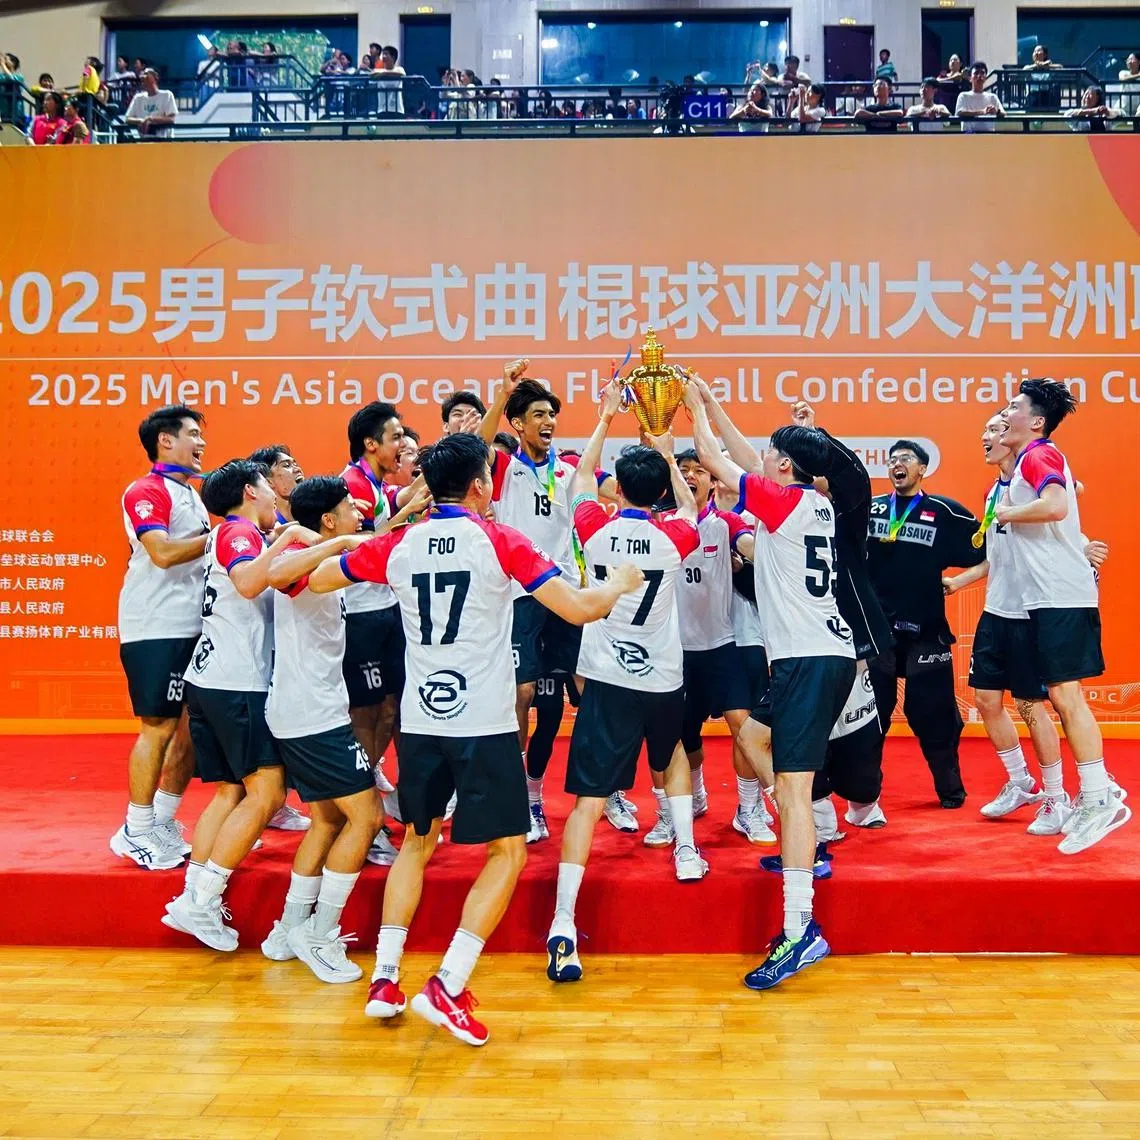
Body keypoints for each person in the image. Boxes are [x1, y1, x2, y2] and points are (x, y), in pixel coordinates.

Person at [308, 432, 642, 1043]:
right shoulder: (500, 539)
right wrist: (619, 583)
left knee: (417, 842)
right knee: (507, 853)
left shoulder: (401, 544)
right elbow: (579, 608)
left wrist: (359, 542)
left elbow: (324, 578)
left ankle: (385, 978)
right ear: (483, 485)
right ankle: (448, 984)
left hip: (421, 722)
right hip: (482, 725)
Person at [687, 389, 855, 991]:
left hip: (812, 658)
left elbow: (712, 453)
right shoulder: (804, 504)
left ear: (782, 465)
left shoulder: (786, 503)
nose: (760, 457)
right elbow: (739, 456)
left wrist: (689, 409)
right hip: (811, 656)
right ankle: (807, 836)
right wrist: (707, 395)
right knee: (754, 742)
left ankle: (800, 927)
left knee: (789, 781)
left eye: (769, 454)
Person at [546, 382, 705, 986]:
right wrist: (668, 452)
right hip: (662, 674)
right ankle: (687, 849)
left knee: (588, 796)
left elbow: (581, 478)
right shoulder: (676, 534)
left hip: (610, 676)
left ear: (621, 488)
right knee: (671, 762)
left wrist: (608, 416)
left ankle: (564, 917)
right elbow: (690, 507)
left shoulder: (594, 529)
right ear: (662, 489)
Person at [478, 361, 621, 839]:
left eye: (551, 414)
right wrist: (501, 394)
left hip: (566, 594)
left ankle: (611, 789)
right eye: (537, 413)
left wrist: (606, 416)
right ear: (518, 424)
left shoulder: (567, 470)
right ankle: (522, 796)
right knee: (521, 694)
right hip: (521, 596)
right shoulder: (503, 466)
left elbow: (595, 471)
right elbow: (475, 446)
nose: (548, 421)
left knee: (593, 688)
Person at [944, 415, 1108, 834]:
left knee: (1033, 705)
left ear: (1013, 436)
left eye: (994, 429)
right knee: (984, 699)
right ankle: (1021, 782)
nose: (985, 436)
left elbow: (1059, 514)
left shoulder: (1037, 470)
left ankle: (1058, 798)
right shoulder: (993, 494)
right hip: (997, 610)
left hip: (1029, 611)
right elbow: (998, 553)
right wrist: (961, 580)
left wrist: (1085, 544)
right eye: (983, 430)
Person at [164, 460, 303, 950]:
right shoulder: (240, 532)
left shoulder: (231, 534)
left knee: (229, 792)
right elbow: (247, 583)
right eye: (268, 487)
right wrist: (288, 540)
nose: (274, 497)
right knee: (266, 793)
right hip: (236, 684)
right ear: (250, 491)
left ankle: (192, 896)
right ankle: (202, 900)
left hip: (211, 679)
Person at [259, 476, 383, 983]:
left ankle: (289, 927)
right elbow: (274, 573)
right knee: (368, 817)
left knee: (329, 821)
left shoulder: (321, 558)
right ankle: (321, 931)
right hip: (312, 716)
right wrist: (336, 543)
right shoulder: (305, 566)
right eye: (350, 508)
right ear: (329, 520)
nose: (359, 512)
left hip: (308, 710)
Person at [997, 380, 1129, 854]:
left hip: (1061, 595)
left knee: (1067, 698)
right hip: (1048, 596)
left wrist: (1007, 515)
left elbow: (1055, 506)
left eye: (1013, 407)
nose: (1004, 412)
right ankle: (1100, 792)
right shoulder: (1030, 462)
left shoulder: (1038, 454)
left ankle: (1098, 798)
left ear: (1035, 421)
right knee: (1061, 695)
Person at [642, 448, 775, 848]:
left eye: (699, 470)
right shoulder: (657, 524)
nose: (691, 476)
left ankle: (748, 809)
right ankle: (684, 804)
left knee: (743, 726)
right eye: (683, 470)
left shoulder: (726, 523)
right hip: (673, 651)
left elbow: (750, 546)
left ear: (713, 481)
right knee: (674, 735)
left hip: (721, 646)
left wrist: (762, 554)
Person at [787, 402, 893, 838]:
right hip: (809, 643)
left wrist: (816, 437)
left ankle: (864, 801)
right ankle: (821, 807)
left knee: (866, 727)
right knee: (813, 729)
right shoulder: (784, 518)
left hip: (861, 639)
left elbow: (853, 478)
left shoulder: (846, 518)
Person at [111, 406, 209, 870]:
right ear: (165, 441)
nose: (201, 442)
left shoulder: (190, 494)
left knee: (190, 728)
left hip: (193, 626)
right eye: (193, 434)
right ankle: (135, 826)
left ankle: (164, 819)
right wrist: (221, 538)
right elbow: (163, 553)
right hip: (155, 626)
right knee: (158, 727)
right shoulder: (145, 491)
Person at [866, 440, 984, 807]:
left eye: (906, 459)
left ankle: (951, 791)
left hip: (927, 632)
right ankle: (866, 797)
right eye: (892, 460)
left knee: (933, 715)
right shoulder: (872, 509)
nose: (897, 464)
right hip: (878, 633)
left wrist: (960, 582)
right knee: (871, 716)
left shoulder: (946, 512)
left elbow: (995, 550)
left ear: (922, 469)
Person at [338, 403, 426, 857]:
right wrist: (401, 521)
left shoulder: (375, 484)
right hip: (358, 617)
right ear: (371, 444)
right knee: (366, 717)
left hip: (387, 610)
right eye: (394, 438)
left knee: (390, 712)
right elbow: (369, 544)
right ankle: (361, 817)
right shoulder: (350, 484)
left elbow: (416, 496)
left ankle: (374, 801)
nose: (400, 446)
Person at [249, 444, 304, 525]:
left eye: (295, 465)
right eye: (286, 465)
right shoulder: (264, 528)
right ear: (268, 481)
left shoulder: (315, 516)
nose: (298, 469)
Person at [125, 67, 177, 138]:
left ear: (155, 77)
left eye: (146, 74)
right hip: (144, 143)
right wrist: (141, 121)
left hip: (164, 142)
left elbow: (171, 119)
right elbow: (128, 119)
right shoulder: (138, 98)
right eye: (142, 74)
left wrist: (150, 119)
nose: (143, 76)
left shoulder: (167, 95)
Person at [955, 62, 1004, 132]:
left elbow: (1003, 113)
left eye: (982, 73)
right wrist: (982, 112)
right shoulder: (963, 96)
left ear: (986, 77)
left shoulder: (992, 97)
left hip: (988, 136)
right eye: (976, 73)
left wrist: (996, 112)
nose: (979, 76)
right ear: (970, 78)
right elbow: (959, 113)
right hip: (968, 136)